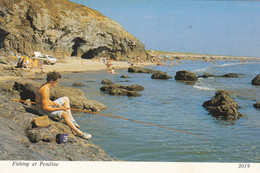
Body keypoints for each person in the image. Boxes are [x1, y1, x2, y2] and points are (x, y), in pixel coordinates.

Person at [35, 71, 92, 140]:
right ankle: (79, 133)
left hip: (46, 106)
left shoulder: (47, 86)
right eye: (57, 81)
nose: (57, 83)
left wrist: (54, 104)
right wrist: (60, 108)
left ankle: (71, 119)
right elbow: (45, 108)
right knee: (64, 113)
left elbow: (46, 100)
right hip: (41, 110)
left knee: (66, 98)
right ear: (51, 80)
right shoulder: (45, 90)